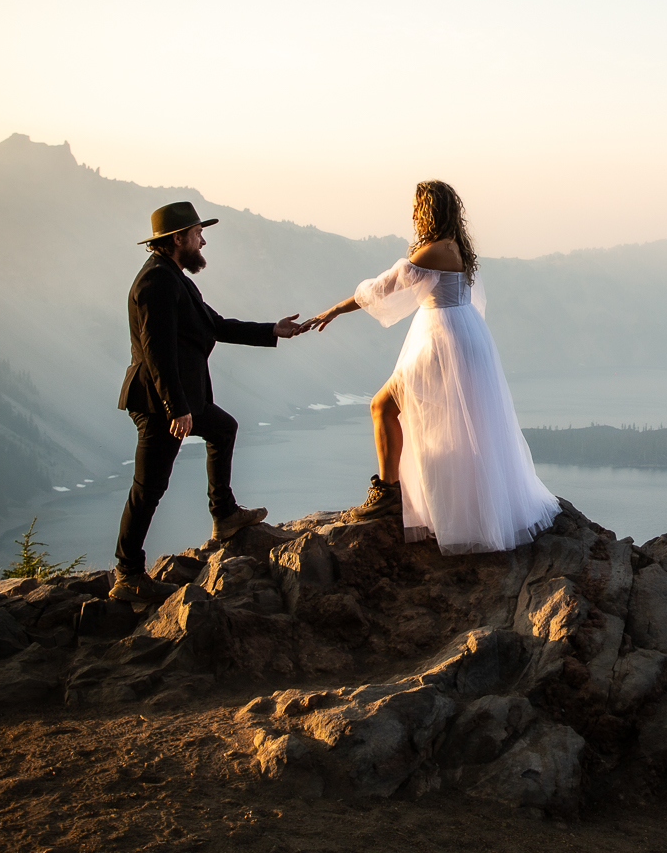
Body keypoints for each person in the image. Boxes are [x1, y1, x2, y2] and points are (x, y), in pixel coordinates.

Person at [309, 181, 559, 554]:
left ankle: (388, 492)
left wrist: (333, 310)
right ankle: (432, 500)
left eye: (416, 208)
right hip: (461, 333)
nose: (412, 215)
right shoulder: (454, 246)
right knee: (453, 425)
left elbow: (382, 288)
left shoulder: (432, 251)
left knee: (382, 406)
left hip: (440, 341)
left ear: (427, 211)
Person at [113, 201, 310, 603]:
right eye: (198, 233)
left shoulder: (173, 277)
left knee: (224, 428)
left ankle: (224, 516)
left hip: (178, 398)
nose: (203, 241)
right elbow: (157, 352)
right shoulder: (156, 283)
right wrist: (175, 408)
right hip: (159, 402)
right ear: (177, 239)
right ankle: (127, 575)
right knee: (148, 487)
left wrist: (274, 329)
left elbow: (214, 326)